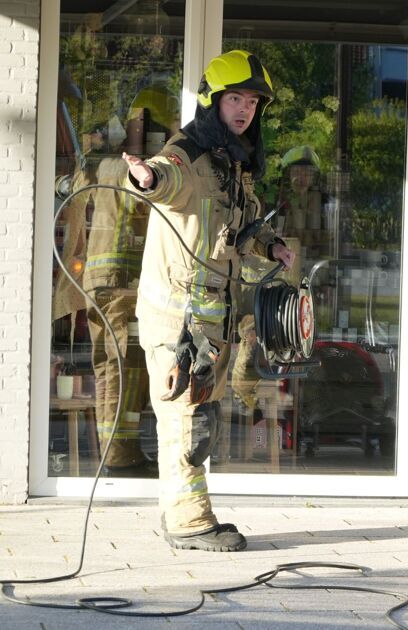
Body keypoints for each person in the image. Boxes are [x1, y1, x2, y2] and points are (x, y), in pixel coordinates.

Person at [123, 50, 295, 552]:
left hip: (209, 322)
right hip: (177, 320)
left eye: (253, 102)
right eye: (235, 99)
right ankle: (189, 523)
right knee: (185, 418)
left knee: (201, 416)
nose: (245, 109)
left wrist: (271, 246)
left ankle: (183, 513)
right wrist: (147, 177)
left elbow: (239, 227)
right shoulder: (190, 153)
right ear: (212, 102)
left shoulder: (233, 164)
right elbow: (165, 177)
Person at [83, 82, 181, 477]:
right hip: (118, 282)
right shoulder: (127, 168)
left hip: (116, 283)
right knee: (120, 366)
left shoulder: (106, 163)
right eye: (164, 133)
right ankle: (118, 458)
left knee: (127, 367)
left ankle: (124, 452)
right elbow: (142, 197)